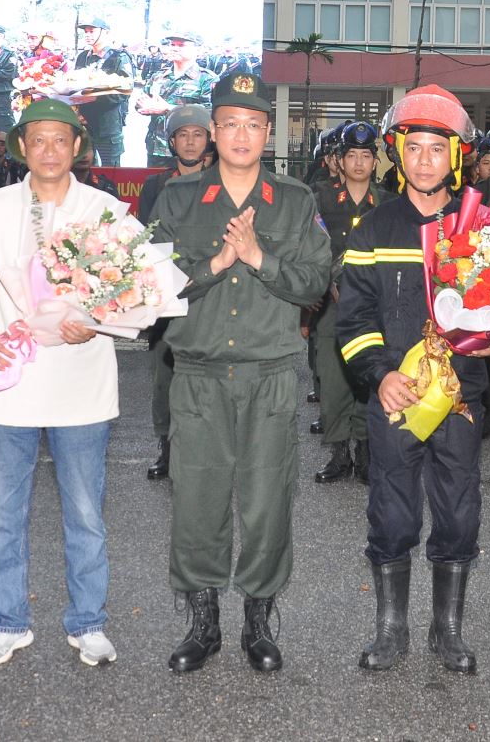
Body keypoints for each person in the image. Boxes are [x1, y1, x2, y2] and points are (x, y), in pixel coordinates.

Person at [150, 70, 331, 674]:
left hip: (270, 374)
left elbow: (314, 283)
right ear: (211, 132)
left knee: (266, 501)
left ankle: (258, 620)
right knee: (197, 500)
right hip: (199, 375)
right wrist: (217, 261)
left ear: (268, 132)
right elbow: (154, 287)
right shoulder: (177, 200)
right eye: (229, 123)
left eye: (253, 124)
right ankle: (203, 624)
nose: (240, 134)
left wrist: (259, 257)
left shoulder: (296, 199)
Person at [0, 98, 125, 669]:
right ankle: (7, 623)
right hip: (11, 382)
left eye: (61, 140)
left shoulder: (106, 210)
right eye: (38, 140)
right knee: (3, 513)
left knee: (86, 513)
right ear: (22, 146)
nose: (50, 150)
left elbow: (130, 293)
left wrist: (97, 320)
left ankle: (89, 623)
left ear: (78, 146)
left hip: (84, 386)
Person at [336, 85, 490, 674]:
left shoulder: (482, 227)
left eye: (438, 149)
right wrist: (379, 376)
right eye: (414, 148)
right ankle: (390, 629)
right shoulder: (373, 227)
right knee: (393, 511)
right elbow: (351, 319)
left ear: (455, 156)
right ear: (398, 154)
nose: (425, 160)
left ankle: (448, 631)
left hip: (459, 398)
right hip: (396, 399)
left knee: (460, 512)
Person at [311, 120, 389, 485]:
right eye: (351, 155)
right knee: (333, 378)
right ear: (339, 161)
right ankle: (338, 452)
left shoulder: (388, 203)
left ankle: (365, 451)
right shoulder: (320, 198)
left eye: (366, 156)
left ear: (376, 162)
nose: (358, 163)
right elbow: (312, 247)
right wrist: (329, 282)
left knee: (368, 375)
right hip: (332, 305)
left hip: (375, 307)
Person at [140, 103, 213, 480]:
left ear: (208, 139)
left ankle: (202, 450)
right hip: (167, 296)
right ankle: (166, 447)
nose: (189, 141)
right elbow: (144, 239)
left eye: (197, 134)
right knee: (164, 376)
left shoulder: (219, 181)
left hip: (210, 293)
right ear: (172, 142)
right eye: (182, 135)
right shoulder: (155, 185)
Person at [137, 33, 216, 166]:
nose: (174, 48)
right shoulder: (159, 76)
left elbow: (211, 112)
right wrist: (144, 106)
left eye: (181, 45)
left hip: (190, 149)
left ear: (197, 49)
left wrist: (168, 109)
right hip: (157, 148)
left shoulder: (207, 79)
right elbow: (140, 102)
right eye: (172, 45)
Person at [71, 20, 135, 167]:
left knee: (110, 171)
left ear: (106, 32)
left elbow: (124, 91)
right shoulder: (83, 57)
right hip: (84, 122)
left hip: (108, 124)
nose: (87, 35)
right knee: (85, 167)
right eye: (85, 31)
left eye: (91, 31)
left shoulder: (118, 57)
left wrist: (92, 99)